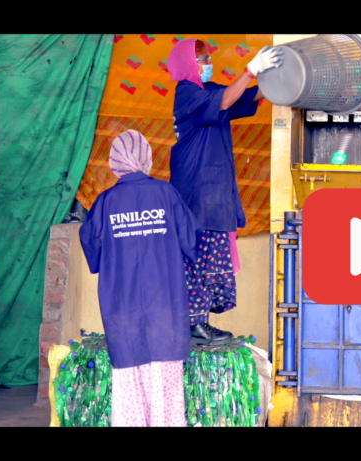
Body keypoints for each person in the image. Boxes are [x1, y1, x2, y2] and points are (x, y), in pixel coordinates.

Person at [79, 130, 199, 427]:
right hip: (165, 311)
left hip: (124, 313)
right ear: (146, 157)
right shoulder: (167, 194)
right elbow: (190, 241)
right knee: (166, 395)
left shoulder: (105, 203)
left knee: (129, 392)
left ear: (115, 162)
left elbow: (91, 245)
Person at [167, 38, 282, 346]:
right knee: (197, 260)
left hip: (212, 195)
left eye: (208, 58)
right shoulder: (187, 93)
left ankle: (199, 323)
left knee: (208, 259)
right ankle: (193, 326)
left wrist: (274, 76)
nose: (209, 63)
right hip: (195, 194)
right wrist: (249, 71)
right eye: (202, 59)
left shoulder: (209, 91)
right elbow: (226, 99)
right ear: (188, 64)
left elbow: (245, 95)